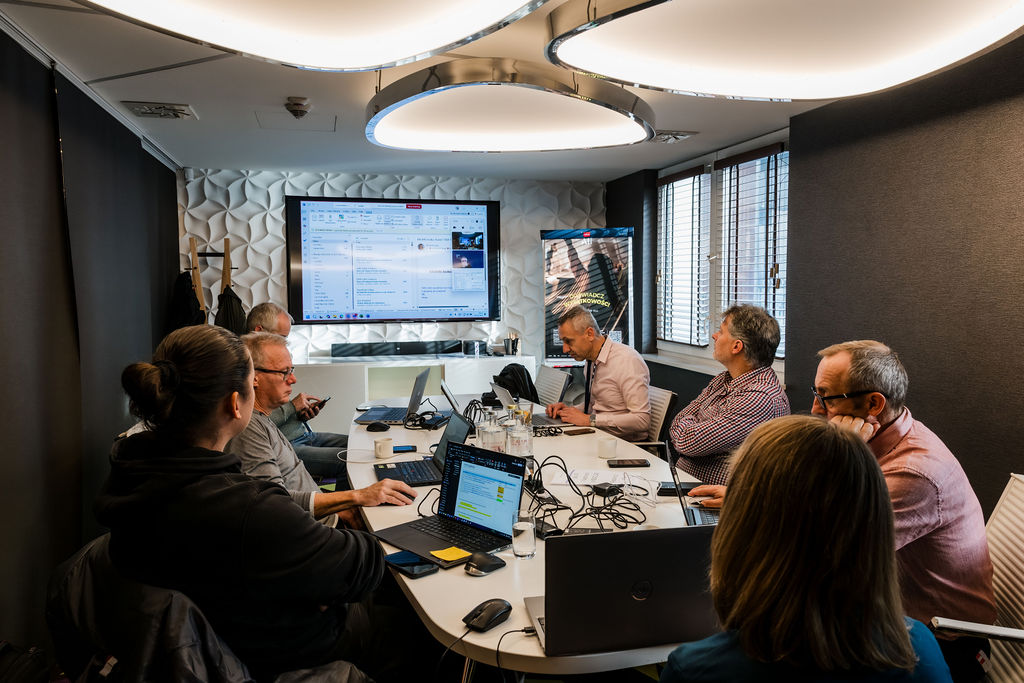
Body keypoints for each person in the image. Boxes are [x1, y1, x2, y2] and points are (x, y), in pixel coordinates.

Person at [94, 325, 388, 680]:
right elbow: (362, 566)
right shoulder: (247, 508)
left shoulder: (129, 473)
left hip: (216, 643)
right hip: (285, 650)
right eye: (251, 384)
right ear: (235, 403)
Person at [661, 415, 952, 683]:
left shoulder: (695, 670)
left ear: (740, 531)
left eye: (825, 396)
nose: (816, 408)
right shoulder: (920, 651)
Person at [810, 340, 995, 681]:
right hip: (892, 615)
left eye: (827, 397)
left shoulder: (913, 473)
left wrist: (837, 455)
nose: (816, 410)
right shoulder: (891, 437)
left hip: (944, 646)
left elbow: (820, 553)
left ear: (873, 403)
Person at [229, 332, 415, 526]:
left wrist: (343, 505)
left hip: (326, 519)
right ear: (255, 377)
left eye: (291, 370)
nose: (293, 379)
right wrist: (355, 498)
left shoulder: (262, 419)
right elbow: (274, 505)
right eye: (284, 372)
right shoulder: (248, 430)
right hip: (320, 531)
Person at [667, 304, 790, 485]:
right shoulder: (723, 380)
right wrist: (689, 427)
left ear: (736, 346)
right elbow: (679, 421)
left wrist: (691, 424)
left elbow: (688, 442)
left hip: (718, 498)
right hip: (686, 485)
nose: (714, 336)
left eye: (721, 331)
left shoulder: (760, 397)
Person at [246, 301, 349, 481]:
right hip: (288, 445)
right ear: (258, 331)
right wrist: (292, 407)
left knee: (358, 445)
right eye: (281, 337)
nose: (292, 380)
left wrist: (299, 415)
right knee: (349, 459)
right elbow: (257, 423)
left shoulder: (270, 366)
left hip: (302, 434)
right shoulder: (248, 370)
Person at [545, 305, 650, 441]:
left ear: (589, 334)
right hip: (597, 437)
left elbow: (642, 420)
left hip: (623, 445)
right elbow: (596, 406)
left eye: (569, 341)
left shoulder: (626, 360)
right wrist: (568, 411)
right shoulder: (591, 360)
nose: (565, 349)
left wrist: (590, 420)